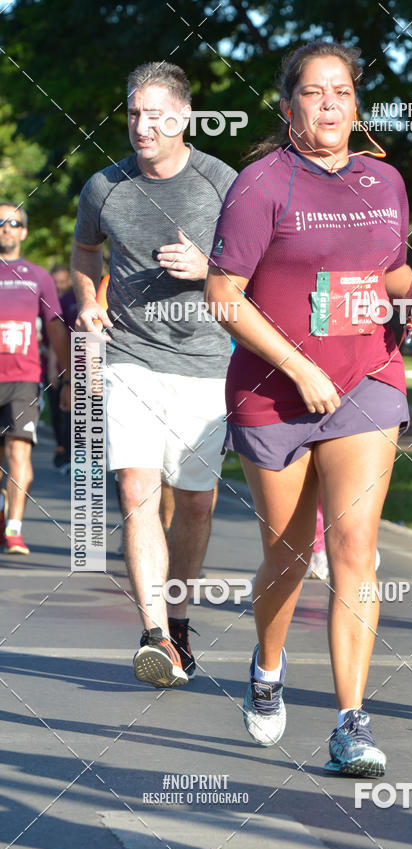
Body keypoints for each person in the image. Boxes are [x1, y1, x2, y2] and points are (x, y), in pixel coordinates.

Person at [206, 41, 412, 777]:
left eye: (342, 92)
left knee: (354, 548)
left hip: (368, 378)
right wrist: (298, 367)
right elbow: (223, 296)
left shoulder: (384, 180)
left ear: (356, 104)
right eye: (313, 92)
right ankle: (267, 667)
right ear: (287, 104)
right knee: (290, 553)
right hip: (273, 393)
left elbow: (392, 269)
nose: (329, 104)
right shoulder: (261, 184)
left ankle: (350, 723)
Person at [72, 62, 236, 687]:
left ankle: (180, 622)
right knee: (137, 491)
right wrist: (88, 299)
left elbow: (259, 265)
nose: (141, 125)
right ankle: (155, 637)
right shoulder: (104, 187)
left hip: (206, 362)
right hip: (130, 357)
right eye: (134, 113)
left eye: (156, 114)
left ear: (184, 117)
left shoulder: (222, 182)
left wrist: (207, 267)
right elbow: (85, 250)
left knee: (195, 503)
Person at [0, 203, 70, 553]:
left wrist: (67, 376)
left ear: (23, 232)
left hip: (24, 377)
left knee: (18, 450)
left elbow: (55, 327)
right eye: (0, 222)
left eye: (13, 222)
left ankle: (13, 529)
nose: (6, 227)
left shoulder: (39, 276)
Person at [47, 265, 77, 472]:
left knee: (74, 413)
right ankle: (62, 450)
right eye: (55, 282)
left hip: (82, 365)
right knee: (58, 411)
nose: (59, 286)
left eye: (62, 282)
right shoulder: (50, 302)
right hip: (60, 366)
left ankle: (70, 455)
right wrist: (52, 368)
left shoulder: (74, 299)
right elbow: (54, 337)